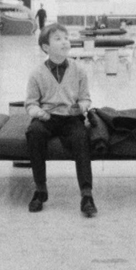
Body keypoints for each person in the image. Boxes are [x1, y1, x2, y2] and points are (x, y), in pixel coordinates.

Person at [24, 23, 97, 217]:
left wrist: (81, 106)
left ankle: (86, 194)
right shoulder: (37, 73)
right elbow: (30, 104)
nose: (64, 42)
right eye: (58, 39)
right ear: (46, 47)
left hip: (71, 118)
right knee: (34, 133)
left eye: (66, 38)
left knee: (81, 137)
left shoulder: (79, 70)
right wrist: (39, 114)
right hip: (47, 118)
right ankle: (40, 189)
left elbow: (85, 98)